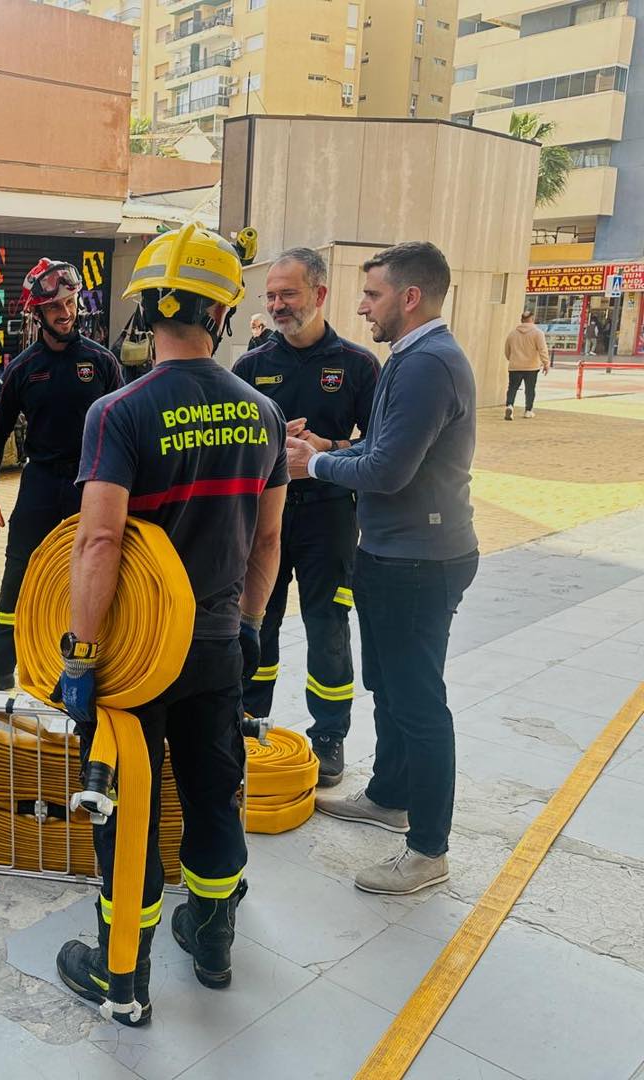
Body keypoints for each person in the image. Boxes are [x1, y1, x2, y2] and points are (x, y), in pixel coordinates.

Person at [53, 223, 287, 1021]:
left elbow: (99, 539)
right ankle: (213, 944)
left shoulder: (119, 411)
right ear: (223, 314)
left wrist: (80, 657)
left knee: (126, 807)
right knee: (215, 796)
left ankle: (122, 980)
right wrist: (249, 624)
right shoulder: (263, 413)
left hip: (134, 660)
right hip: (219, 648)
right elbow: (268, 539)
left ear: (147, 308)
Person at [287, 240, 478, 896]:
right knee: (391, 688)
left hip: (419, 562)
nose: (362, 306)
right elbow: (381, 446)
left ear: (411, 296)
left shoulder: (428, 365)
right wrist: (332, 445)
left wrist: (309, 464)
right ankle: (392, 796)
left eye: (372, 295)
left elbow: (389, 471)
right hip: (395, 554)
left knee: (418, 701)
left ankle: (428, 849)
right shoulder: (414, 358)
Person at [231, 248, 380, 785]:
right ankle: (247, 719)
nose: (276, 305)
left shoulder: (359, 366)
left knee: (328, 626)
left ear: (319, 294)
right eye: (270, 295)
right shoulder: (250, 367)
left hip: (329, 518)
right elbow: (232, 443)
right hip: (263, 521)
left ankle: (330, 734)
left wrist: (325, 448)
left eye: (287, 294)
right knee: (256, 620)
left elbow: (379, 447)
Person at [0, 259, 123, 688]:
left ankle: (91, 669)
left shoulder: (103, 362)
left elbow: (123, 428)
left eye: (71, 302)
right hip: (38, 482)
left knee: (92, 574)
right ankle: (0, 671)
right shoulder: (22, 368)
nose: (66, 312)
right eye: (54, 306)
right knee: (17, 576)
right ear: (36, 314)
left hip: (91, 484)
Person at [504, 308, 550, 419]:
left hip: (515, 366)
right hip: (531, 366)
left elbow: (507, 350)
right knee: (530, 389)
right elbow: (542, 349)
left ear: (522, 320)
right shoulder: (538, 333)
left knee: (512, 388)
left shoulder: (512, 334)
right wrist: (546, 363)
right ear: (532, 319)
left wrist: (512, 359)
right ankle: (528, 410)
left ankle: (509, 405)